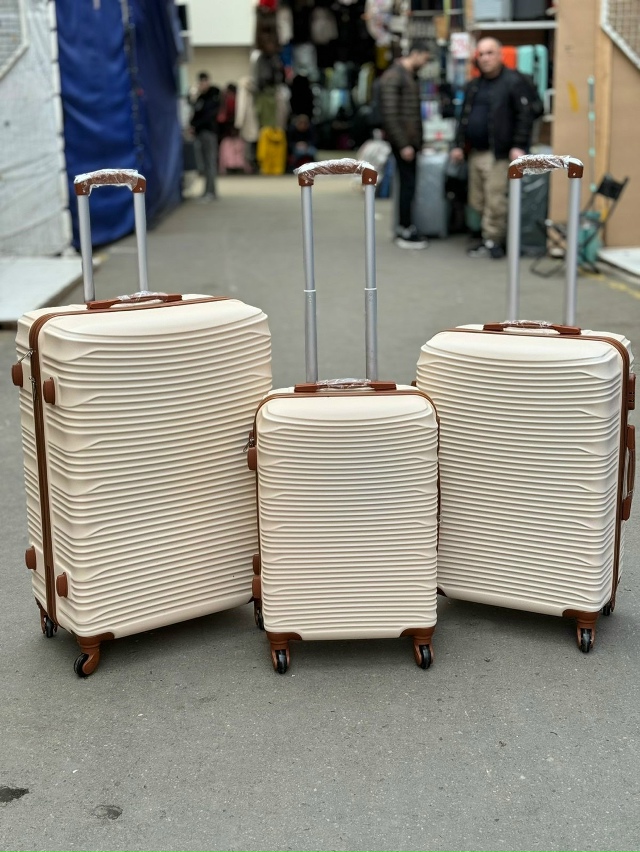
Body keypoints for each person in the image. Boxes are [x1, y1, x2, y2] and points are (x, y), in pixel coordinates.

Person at [450, 37, 536, 259]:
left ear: (500, 55)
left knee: (495, 200)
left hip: (498, 153)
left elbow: (525, 116)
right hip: (475, 152)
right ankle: (487, 236)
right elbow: (463, 118)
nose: (485, 58)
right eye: (481, 54)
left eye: (490, 53)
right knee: (477, 201)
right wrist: (458, 145)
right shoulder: (474, 85)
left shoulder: (514, 82)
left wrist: (518, 145)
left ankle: (493, 241)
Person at [379, 40, 431, 249]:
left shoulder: (407, 76)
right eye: (425, 59)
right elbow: (390, 115)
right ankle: (404, 229)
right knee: (406, 186)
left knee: (409, 186)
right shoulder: (395, 76)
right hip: (404, 143)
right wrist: (403, 144)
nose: (425, 64)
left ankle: (406, 226)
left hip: (409, 142)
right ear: (416, 54)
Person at [189, 72, 221, 202]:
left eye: (204, 82)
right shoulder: (201, 97)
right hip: (200, 132)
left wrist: (195, 125)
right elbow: (195, 111)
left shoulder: (213, 97)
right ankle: (207, 191)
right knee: (205, 164)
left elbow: (208, 116)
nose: (202, 85)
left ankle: (211, 192)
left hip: (208, 132)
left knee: (210, 163)